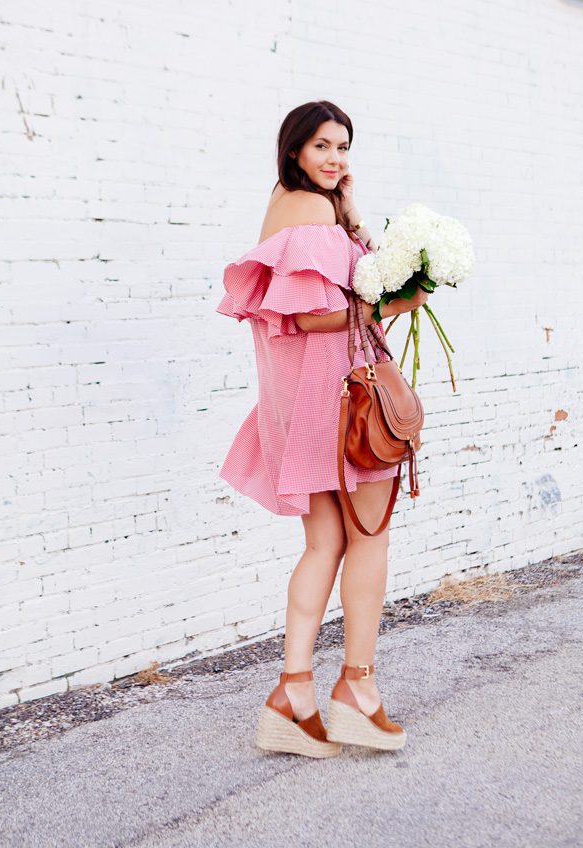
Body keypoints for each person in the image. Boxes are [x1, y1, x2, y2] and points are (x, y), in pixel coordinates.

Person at [217, 101, 430, 757]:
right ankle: (357, 694)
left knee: (325, 545)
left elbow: (339, 286)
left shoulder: (296, 204)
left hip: (304, 400)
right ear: (294, 151)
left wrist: (353, 206)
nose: (336, 158)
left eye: (344, 147)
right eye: (322, 147)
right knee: (370, 536)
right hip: (337, 403)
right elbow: (315, 318)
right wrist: (398, 302)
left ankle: (294, 695)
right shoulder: (308, 211)